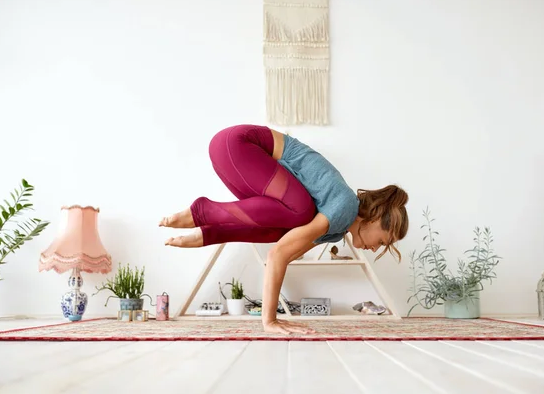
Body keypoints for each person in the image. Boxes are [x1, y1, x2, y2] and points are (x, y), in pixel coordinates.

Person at [159, 124, 409, 335]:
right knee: (300, 211)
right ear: (375, 219)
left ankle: (209, 232)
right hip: (239, 145)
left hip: (231, 156)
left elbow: (282, 253)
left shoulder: (336, 229)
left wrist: (270, 320)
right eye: (384, 241)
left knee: (279, 230)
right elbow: (279, 255)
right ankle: (203, 212)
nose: (376, 248)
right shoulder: (345, 206)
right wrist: (269, 321)